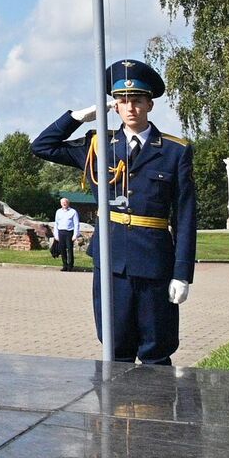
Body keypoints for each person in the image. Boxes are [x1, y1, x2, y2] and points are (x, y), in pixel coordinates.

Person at [33, 59, 197, 365]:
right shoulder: (98, 145)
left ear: (150, 104)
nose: (130, 107)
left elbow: (185, 216)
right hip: (112, 262)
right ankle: (112, 413)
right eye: (122, 101)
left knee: (156, 350)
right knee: (114, 347)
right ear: (114, 106)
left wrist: (182, 274)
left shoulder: (175, 151)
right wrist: (77, 117)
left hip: (154, 263)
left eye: (137, 100)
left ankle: (156, 412)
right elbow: (42, 146)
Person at [54, 196, 80, 272]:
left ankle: (70, 265)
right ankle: (64, 265)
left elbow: (76, 224)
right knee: (62, 250)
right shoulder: (58, 211)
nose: (64, 204)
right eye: (63, 203)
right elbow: (56, 223)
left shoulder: (73, 212)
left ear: (68, 203)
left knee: (69, 249)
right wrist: (56, 235)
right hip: (61, 232)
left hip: (69, 232)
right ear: (61, 204)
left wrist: (75, 235)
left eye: (65, 202)